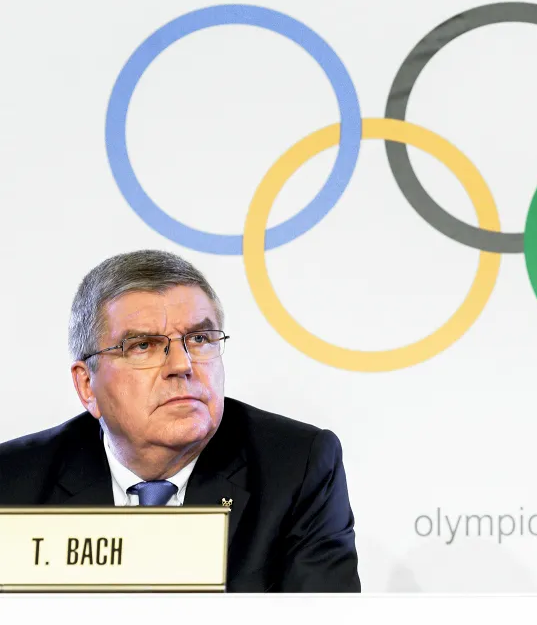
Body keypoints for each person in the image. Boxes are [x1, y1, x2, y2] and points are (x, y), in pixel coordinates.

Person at [0, 250, 360, 592]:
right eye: (143, 346)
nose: (182, 365)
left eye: (200, 339)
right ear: (86, 385)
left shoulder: (297, 469)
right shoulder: (13, 484)